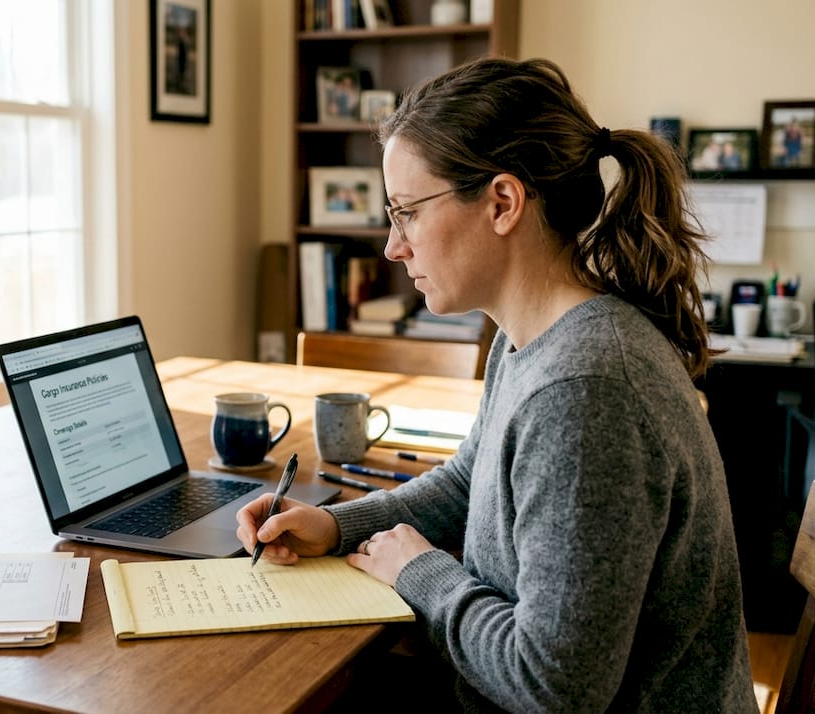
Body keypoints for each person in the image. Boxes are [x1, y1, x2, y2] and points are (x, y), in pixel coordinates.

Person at [237, 56, 757, 712]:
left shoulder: (585, 392)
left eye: (407, 213)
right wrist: (334, 526)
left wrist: (419, 571)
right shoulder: (530, 336)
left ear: (503, 203)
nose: (394, 246)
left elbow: (556, 688)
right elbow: (468, 481)